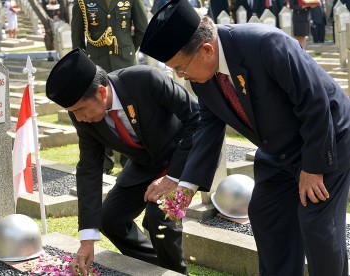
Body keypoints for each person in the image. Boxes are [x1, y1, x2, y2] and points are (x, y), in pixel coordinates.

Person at [140, 0, 350, 275]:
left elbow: (315, 104)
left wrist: (313, 168)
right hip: (278, 151)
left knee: (317, 225)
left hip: (325, 140)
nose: (181, 76)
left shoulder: (266, 44)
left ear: (206, 50)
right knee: (266, 216)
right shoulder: (202, 75)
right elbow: (208, 124)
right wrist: (187, 183)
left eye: (180, 67)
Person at [45, 48, 200, 276]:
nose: (78, 118)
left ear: (100, 92)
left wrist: (173, 177)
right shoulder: (81, 115)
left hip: (181, 158)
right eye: (73, 112)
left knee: (158, 217)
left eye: (80, 110)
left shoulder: (145, 80)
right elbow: (89, 167)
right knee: (110, 219)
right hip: (144, 166)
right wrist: (87, 238)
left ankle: (176, 272)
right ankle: (156, 267)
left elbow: (196, 118)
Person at [71, 0, 148, 174]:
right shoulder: (82, 2)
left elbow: (142, 29)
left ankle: (130, 156)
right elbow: (77, 40)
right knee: (99, 111)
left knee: (129, 109)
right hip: (97, 65)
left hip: (125, 63)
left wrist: (127, 49)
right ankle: (105, 161)